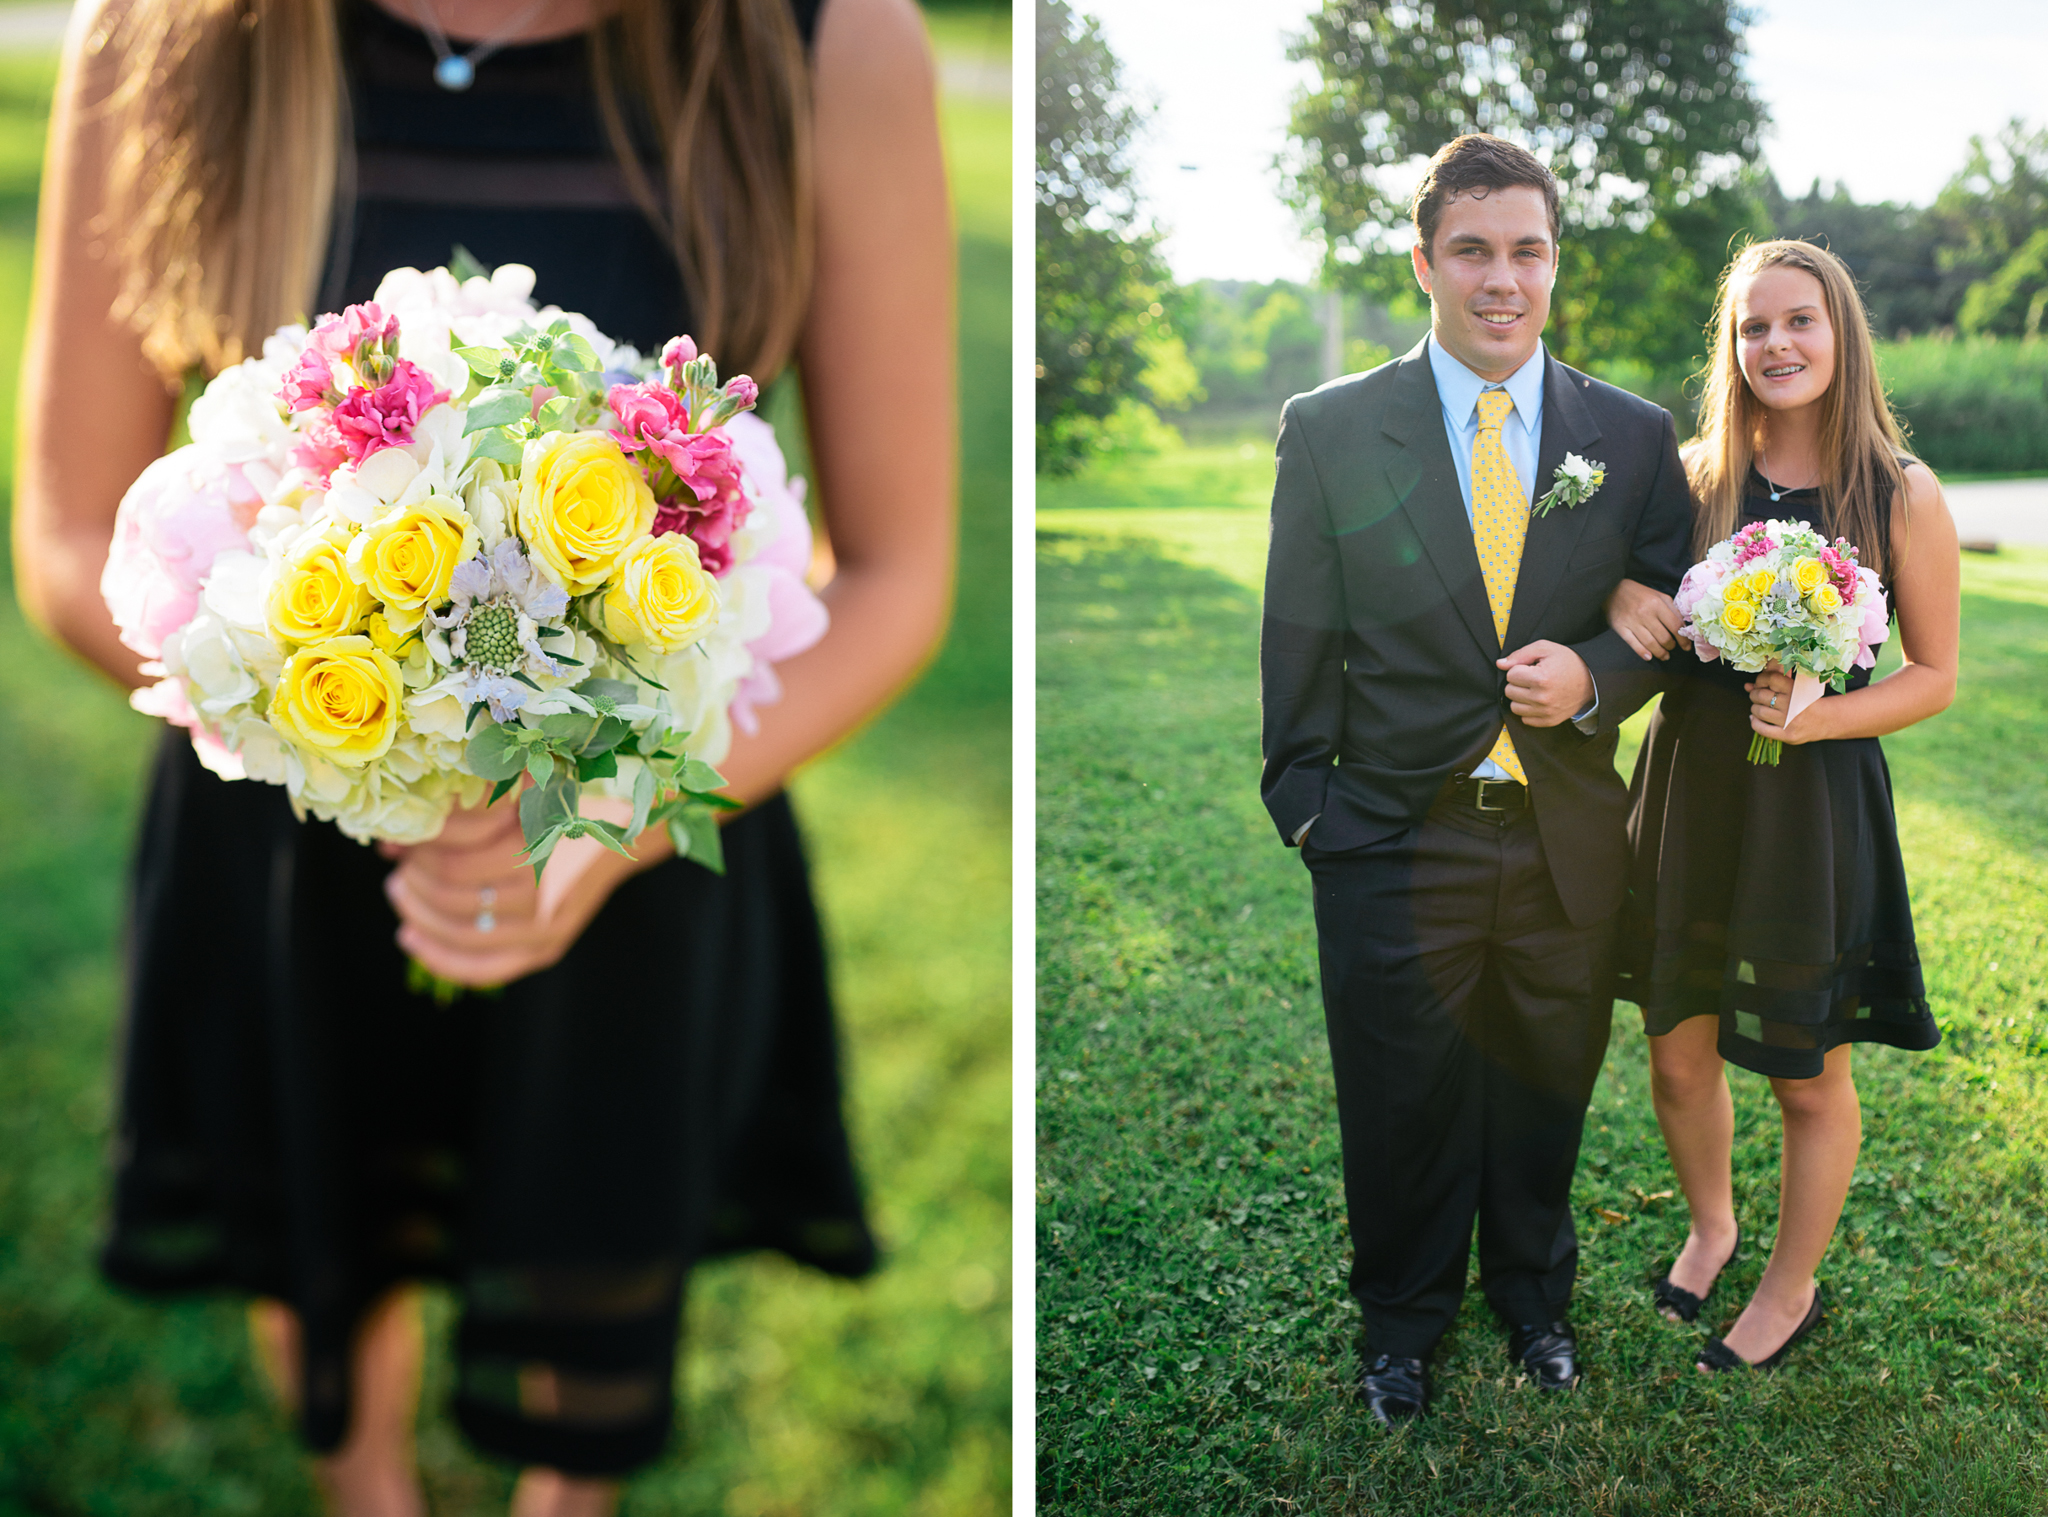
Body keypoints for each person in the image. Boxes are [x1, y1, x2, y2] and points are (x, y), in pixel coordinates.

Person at [12, 0, 954, 1508]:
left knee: (583, 1310)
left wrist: (614, 819)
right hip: (280, 833)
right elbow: (63, 530)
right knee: (328, 1250)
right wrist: (317, 712)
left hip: (632, 853)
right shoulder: (163, 29)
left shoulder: (830, 39)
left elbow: (899, 576)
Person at [1258, 133, 1692, 1426]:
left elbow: (1673, 604)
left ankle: (1533, 1296)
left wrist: (1602, 677)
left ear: (1555, 261)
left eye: (1527, 250)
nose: (1502, 279)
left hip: (1563, 831)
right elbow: (1298, 636)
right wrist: (1307, 808)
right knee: (1399, 1094)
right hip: (1394, 831)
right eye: (1473, 250)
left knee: (1545, 1077)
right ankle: (1401, 1322)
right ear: (1424, 261)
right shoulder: (1333, 429)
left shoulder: (1628, 432)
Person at [1604, 239, 1958, 1373]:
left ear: (1839, 331)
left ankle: (1788, 1284)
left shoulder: (1898, 491)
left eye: (1797, 320)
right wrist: (1616, 588)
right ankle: (1711, 1223)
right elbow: (1621, 593)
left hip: (1811, 805)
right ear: (1731, 344)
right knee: (1672, 1048)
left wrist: (1811, 716)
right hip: (1690, 787)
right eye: (1752, 326)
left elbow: (1931, 674)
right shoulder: (1689, 474)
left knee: (1805, 1068)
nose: (1775, 345)